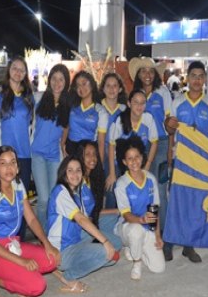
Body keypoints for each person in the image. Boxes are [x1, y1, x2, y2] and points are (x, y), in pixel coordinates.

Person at [0, 146, 60, 297]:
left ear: (17, 167)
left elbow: (31, 219)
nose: (9, 168)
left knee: (53, 260)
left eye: (12, 163)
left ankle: (19, 279)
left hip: (13, 245)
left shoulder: (18, 185)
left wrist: (47, 244)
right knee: (37, 285)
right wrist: (21, 261)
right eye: (3, 163)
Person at [163, 60, 208, 262]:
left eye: (200, 76)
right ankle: (168, 243)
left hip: (200, 162)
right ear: (188, 77)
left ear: (204, 79)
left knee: (195, 203)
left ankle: (189, 245)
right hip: (181, 159)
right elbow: (170, 131)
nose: (197, 80)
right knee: (175, 201)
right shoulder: (177, 101)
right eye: (193, 75)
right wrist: (169, 131)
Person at [47, 155, 117, 292]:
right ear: (63, 173)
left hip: (76, 239)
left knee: (113, 256)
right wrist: (105, 241)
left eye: (78, 170)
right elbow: (81, 219)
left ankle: (89, 254)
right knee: (105, 252)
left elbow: (88, 219)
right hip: (62, 251)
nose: (75, 174)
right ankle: (68, 276)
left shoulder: (76, 193)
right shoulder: (60, 191)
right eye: (70, 170)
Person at [129, 57, 172, 237]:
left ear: (155, 74)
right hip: (140, 147)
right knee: (144, 188)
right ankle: (149, 229)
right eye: (143, 71)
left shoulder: (163, 92)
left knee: (160, 190)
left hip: (161, 145)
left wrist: (170, 150)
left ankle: (164, 232)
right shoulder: (135, 94)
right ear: (138, 74)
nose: (147, 74)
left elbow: (170, 123)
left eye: (151, 71)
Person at [114, 136, 165, 280]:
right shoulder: (122, 183)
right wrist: (141, 220)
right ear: (124, 162)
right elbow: (126, 214)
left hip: (147, 226)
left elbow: (154, 209)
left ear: (142, 158)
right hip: (127, 226)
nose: (134, 161)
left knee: (158, 268)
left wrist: (157, 236)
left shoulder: (150, 179)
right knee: (135, 231)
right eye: (129, 158)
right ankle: (136, 262)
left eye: (137, 157)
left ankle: (136, 246)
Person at [31, 64, 71, 228]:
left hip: (54, 156)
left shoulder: (67, 106)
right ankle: (43, 235)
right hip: (37, 155)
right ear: (49, 80)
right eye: (54, 78)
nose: (57, 82)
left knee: (54, 197)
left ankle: (52, 232)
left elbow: (66, 128)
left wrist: (62, 145)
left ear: (66, 82)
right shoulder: (39, 98)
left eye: (61, 79)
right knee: (44, 199)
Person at [0, 56, 34, 197]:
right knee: (4, 194)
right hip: (4, 152)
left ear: (25, 73)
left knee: (22, 195)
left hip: (24, 153)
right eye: (14, 68)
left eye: (22, 70)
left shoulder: (29, 97)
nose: (18, 72)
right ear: (9, 70)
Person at [107, 89, 158, 187]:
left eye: (143, 103)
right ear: (129, 104)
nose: (139, 106)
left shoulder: (148, 119)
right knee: (112, 190)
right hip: (120, 163)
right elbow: (111, 146)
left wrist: (146, 167)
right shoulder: (119, 120)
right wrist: (112, 174)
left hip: (139, 162)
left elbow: (154, 143)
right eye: (136, 102)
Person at [77, 139, 122, 249]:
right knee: (117, 243)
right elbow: (80, 217)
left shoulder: (94, 178)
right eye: (87, 154)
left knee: (120, 218)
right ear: (80, 156)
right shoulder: (76, 180)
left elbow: (96, 211)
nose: (92, 158)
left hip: (94, 222)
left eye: (94, 154)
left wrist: (119, 211)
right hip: (81, 228)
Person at [97, 72, 127, 208]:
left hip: (116, 159)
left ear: (120, 89)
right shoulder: (97, 108)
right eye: (108, 86)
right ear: (103, 89)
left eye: (115, 86)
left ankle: (113, 223)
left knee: (115, 190)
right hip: (98, 156)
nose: (111, 89)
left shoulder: (125, 110)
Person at [61, 70, 107, 157]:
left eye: (84, 83)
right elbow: (66, 127)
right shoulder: (72, 106)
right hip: (70, 151)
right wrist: (62, 146)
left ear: (92, 84)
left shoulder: (100, 111)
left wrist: (99, 166)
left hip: (88, 153)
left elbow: (101, 142)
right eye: (78, 85)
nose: (81, 88)